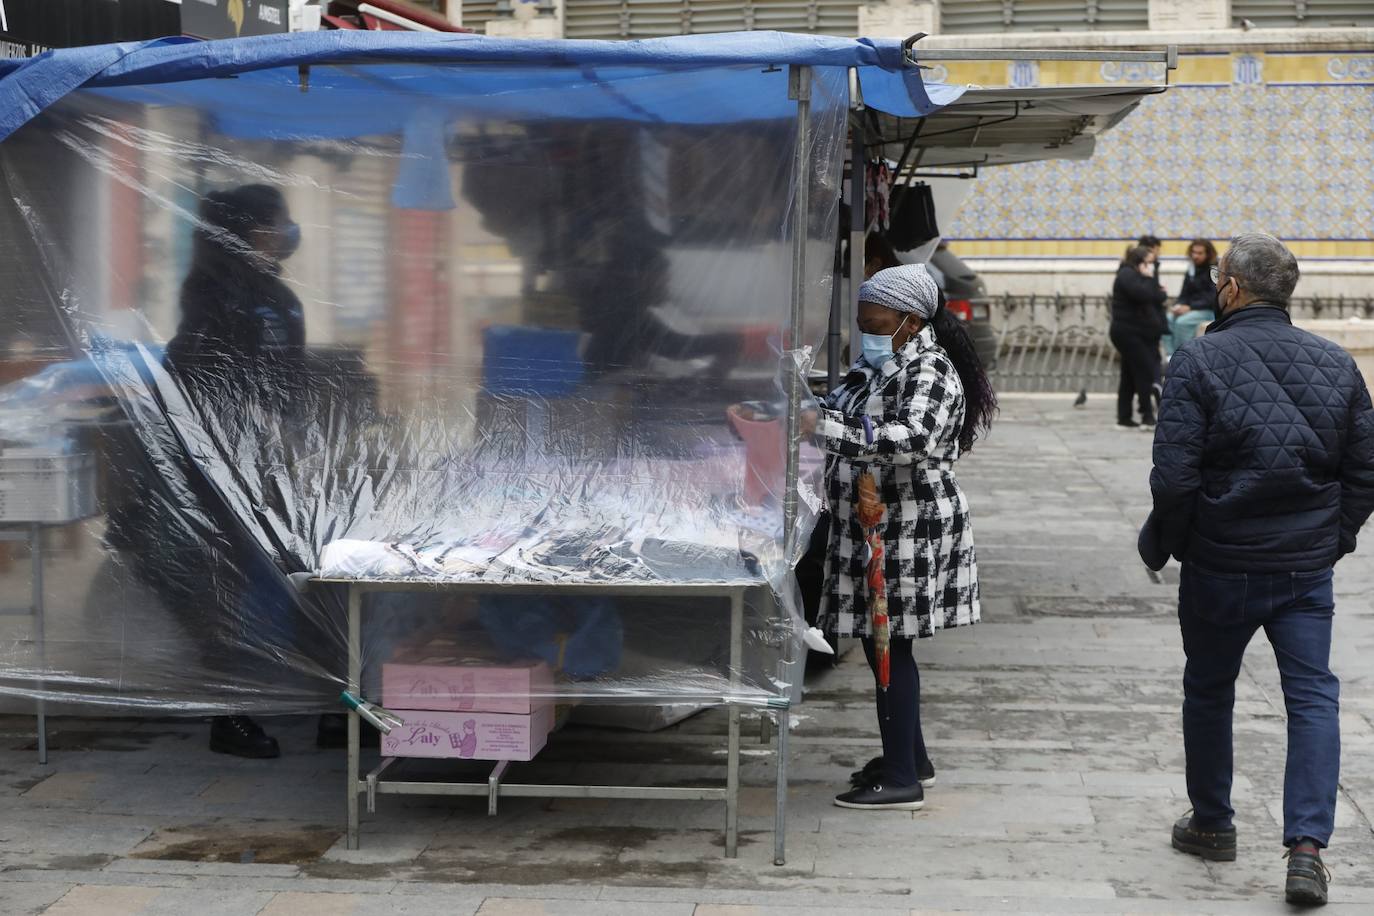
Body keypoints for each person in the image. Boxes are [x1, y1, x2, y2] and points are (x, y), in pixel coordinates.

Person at [1140, 234, 1374, 907]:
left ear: (1233, 287)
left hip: (1221, 562)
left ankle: (1213, 821)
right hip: (1304, 568)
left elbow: (1174, 476)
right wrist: (1331, 540)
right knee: (1312, 698)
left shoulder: (1198, 359)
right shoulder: (1335, 362)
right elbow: (1364, 469)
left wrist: (1173, 543)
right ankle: (1307, 849)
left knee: (1209, 689)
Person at [114, 185, 311, 758]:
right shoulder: (214, 292)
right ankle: (231, 712)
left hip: (267, 461)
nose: (287, 232)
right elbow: (198, 375)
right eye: (278, 222)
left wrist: (294, 435)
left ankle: (320, 698)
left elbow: (290, 378)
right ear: (252, 230)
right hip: (221, 464)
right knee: (231, 580)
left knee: (289, 572)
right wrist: (239, 435)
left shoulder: (276, 294)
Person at [809, 263, 996, 811]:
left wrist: (822, 428)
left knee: (891, 642)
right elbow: (836, 410)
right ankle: (911, 760)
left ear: (910, 321)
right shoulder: (875, 366)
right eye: (863, 321)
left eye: (875, 322)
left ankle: (900, 780)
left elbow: (911, 440)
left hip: (909, 524)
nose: (866, 330)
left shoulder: (931, 371)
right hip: (870, 523)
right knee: (879, 639)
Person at [1110, 245, 1168, 428]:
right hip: (1128, 332)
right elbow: (1144, 294)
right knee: (1144, 372)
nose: (1152, 267)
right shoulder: (1127, 275)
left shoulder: (1138, 277)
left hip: (1138, 332)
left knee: (1129, 373)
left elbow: (1159, 296)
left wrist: (1154, 286)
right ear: (1140, 263)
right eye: (1150, 263)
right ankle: (1147, 415)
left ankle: (1124, 417)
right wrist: (1150, 279)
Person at [1165, 239, 1218, 356]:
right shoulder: (1191, 269)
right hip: (1191, 308)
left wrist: (1190, 307)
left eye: (1200, 253)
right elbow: (1184, 293)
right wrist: (1178, 305)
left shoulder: (1214, 270)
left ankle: (1181, 355)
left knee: (1182, 322)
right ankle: (1170, 355)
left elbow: (1212, 298)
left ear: (1208, 254)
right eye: (1193, 252)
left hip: (1207, 310)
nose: (1195, 256)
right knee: (1168, 318)